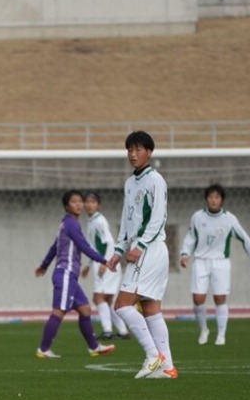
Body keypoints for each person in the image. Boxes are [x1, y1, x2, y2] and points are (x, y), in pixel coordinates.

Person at [110, 131, 177, 379]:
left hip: (150, 249)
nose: (132, 154)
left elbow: (158, 218)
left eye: (138, 149)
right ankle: (168, 367)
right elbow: (126, 221)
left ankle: (152, 355)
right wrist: (118, 250)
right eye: (129, 149)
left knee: (122, 305)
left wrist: (139, 246)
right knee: (150, 308)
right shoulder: (130, 184)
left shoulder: (155, 180)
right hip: (140, 249)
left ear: (149, 152)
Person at [33, 190, 118, 359]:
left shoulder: (66, 224)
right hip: (65, 273)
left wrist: (44, 266)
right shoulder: (71, 224)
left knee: (85, 309)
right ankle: (43, 349)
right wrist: (104, 260)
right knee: (59, 311)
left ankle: (94, 347)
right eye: (74, 201)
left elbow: (53, 247)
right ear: (66, 206)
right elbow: (84, 246)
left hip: (69, 275)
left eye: (80, 201)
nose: (79, 204)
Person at [179, 183, 250, 346]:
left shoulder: (229, 219)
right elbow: (190, 237)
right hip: (201, 261)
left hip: (220, 262)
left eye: (217, 197)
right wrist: (185, 254)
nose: (213, 200)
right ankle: (204, 330)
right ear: (206, 199)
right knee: (198, 299)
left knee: (220, 298)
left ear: (222, 200)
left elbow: (244, 238)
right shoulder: (197, 217)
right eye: (210, 197)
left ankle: (221, 335)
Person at [80, 192, 130, 341]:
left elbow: (109, 242)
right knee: (108, 300)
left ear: (98, 205)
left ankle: (108, 330)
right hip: (105, 263)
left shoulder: (99, 221)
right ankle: (122, 331)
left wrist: (105, 262)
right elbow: (93, 246)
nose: (89, 205)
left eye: (93, 202)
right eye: (87, 202)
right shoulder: (91, 221)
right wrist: (89, 265)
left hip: (106, 263)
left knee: (98, 298)